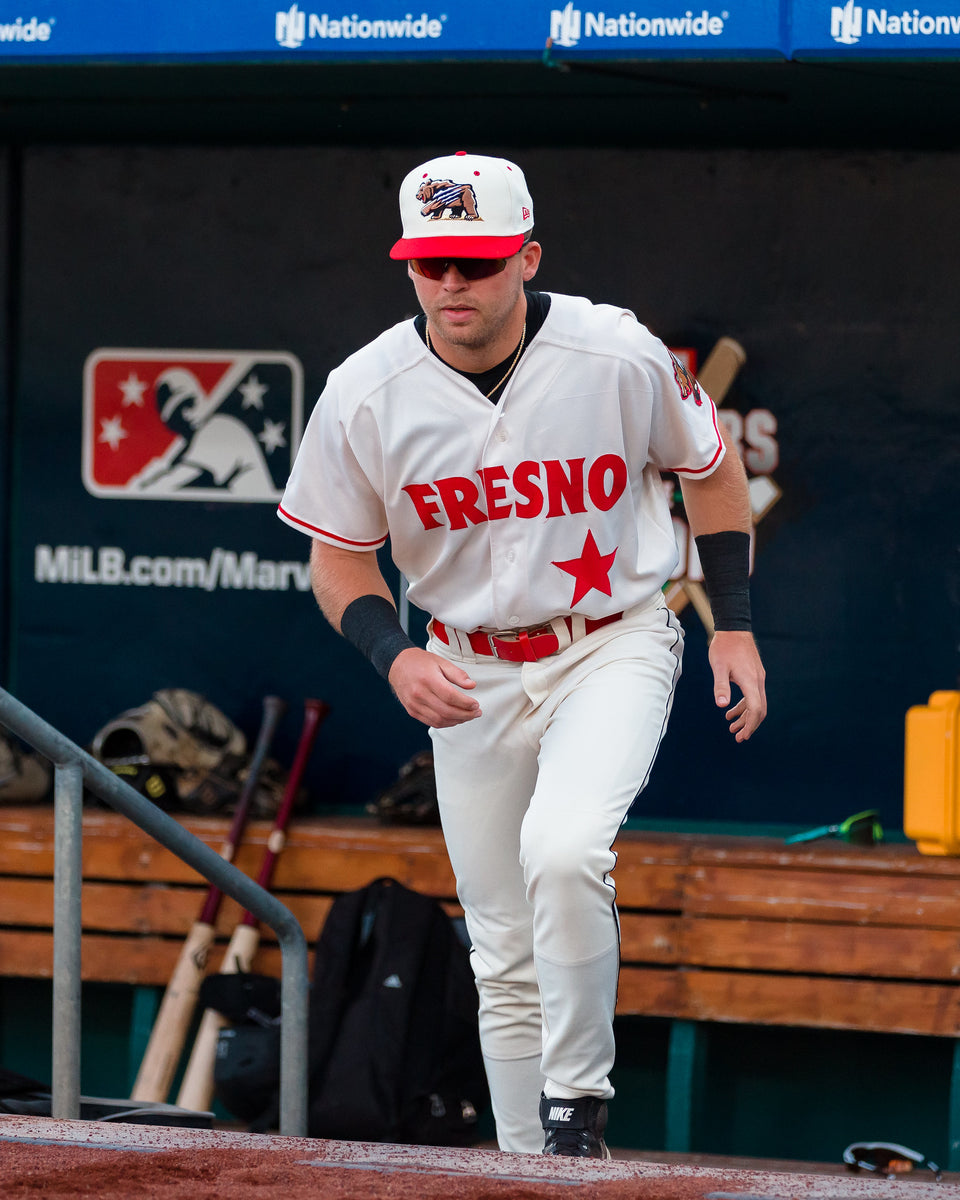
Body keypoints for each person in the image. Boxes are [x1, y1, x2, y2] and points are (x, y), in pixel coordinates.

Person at [278, 151, 766, 1158]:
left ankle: (576, 1114)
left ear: (527, 258)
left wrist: (742, 627)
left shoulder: (617, 353)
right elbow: (339, 563)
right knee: (499, 949)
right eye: (430, 264)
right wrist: (391, 656)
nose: (452, 284)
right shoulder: (367, 390)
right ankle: (520, 1170)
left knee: (566, 846)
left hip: (611, 641)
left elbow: (710, 479)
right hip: (467, 666)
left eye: (477, 262)